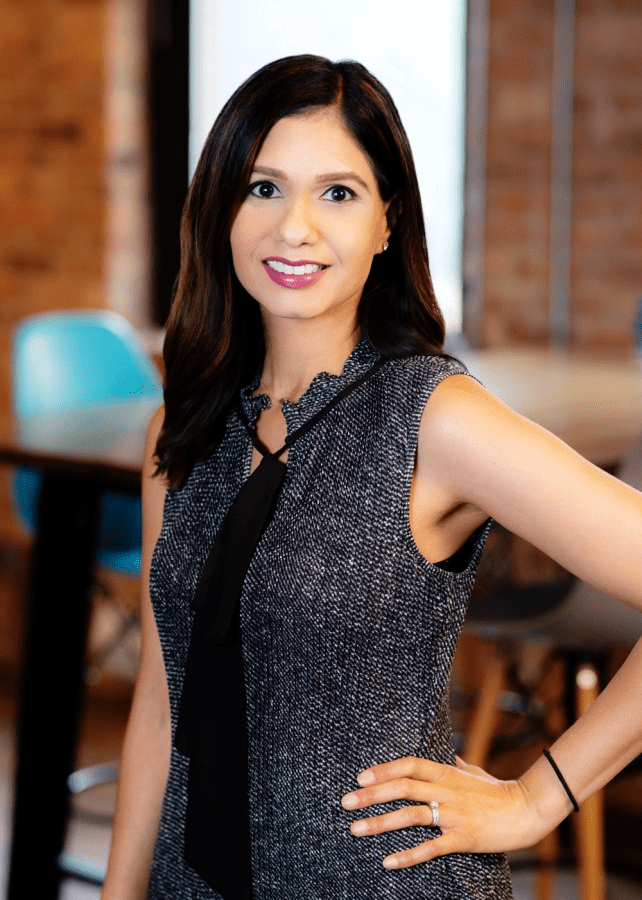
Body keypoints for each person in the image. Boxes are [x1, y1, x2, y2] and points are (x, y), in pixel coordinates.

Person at [101, 55, 642, 900]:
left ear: (387, 223)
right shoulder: (182, 425)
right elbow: (163, 699)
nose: (295, 230)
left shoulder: (435, 418)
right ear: (219, 210)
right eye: (264, 187)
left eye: (338, 193)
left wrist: (538, 798)